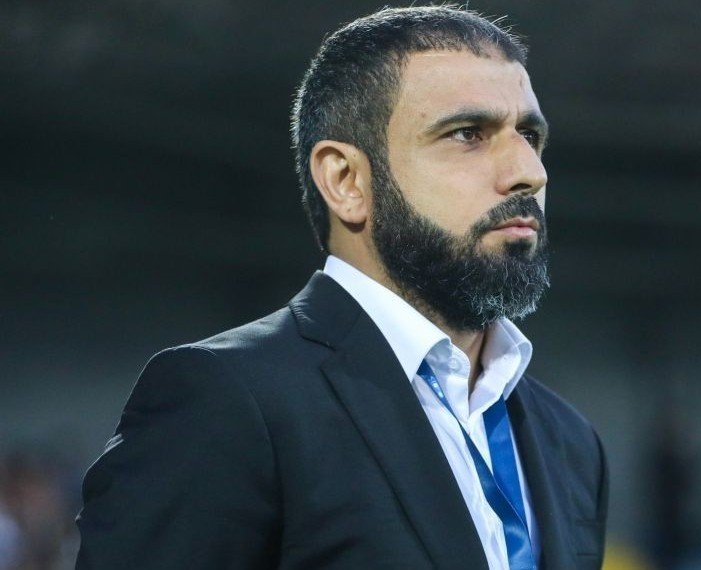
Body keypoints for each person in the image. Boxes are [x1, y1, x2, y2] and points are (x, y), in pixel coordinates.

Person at [75, 6, 608, 570]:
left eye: (529, 135)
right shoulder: (226, 401)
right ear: (346, 180)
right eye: (467, 134)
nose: (529, 171)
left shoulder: (570, 441)